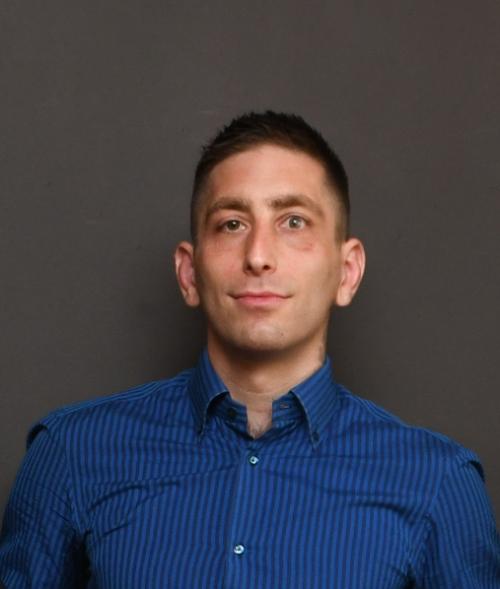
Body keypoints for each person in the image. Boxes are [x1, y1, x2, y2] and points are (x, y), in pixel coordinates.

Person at [0, 111, 498, 588]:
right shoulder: (72, 454)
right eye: (232, 224)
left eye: (293, 222)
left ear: (347, 273)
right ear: (189, 273)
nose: (258, 256)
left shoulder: (436, 482)